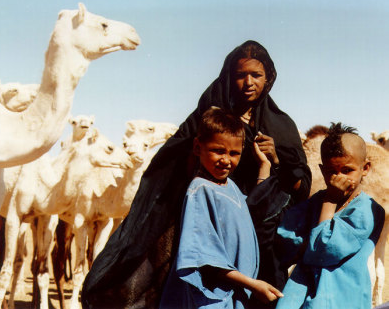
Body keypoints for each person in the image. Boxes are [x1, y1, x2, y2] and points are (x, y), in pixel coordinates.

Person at [82, 40, 311, 309]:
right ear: (229, 76)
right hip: (209, 220)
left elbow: (301, 185)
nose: (248, 82)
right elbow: (172, 158)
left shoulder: (281, 125)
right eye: (240, 75)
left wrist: (276, 160)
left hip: (258, 232)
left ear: (268, 78)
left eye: (256, 75)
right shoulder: (209, 113)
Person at [159, 107, 283, 309]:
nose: (226, 160)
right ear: (198, 148)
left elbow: (248, 209)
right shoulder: (201, 190)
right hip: (212, 298)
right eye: (218, 151)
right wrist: (252, 285)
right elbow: (206, 260)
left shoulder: (229, 186)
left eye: (234, 153)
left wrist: (264, 166)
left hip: (231, 294)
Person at [275, 123, 385, 309]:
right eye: (331, 172)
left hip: (342, 299)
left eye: (347, 170)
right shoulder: (316, 201)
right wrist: (305, 248)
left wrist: (330, 203)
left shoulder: (366, 211)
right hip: (301, 295)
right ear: (321, 169)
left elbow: (323, 250)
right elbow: (285, 235)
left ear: (365, 168)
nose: (338, 178)